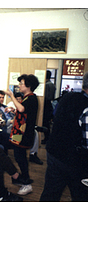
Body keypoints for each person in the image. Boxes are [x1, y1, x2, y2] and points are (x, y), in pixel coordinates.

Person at [40, 72, 88, 201]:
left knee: (50, 192)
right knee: (80, 196)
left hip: (54, 151)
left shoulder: (67, 97)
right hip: (74, 160)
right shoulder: (86, 106)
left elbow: (56, 117)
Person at [5, 74, 39, 196]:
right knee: (18, 156)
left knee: (21, 158)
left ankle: (26, 183)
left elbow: (22, 109)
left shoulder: (31, 98)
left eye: (21, 84)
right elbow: (22, 112)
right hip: (19, 132)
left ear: (28, 86)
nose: (19, 86)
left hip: (23, 134)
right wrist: (14, 110)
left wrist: (11, 96)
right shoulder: (27, 97)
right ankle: (23, 179)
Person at [42, 70, 56, 144]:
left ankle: (46, 138)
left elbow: (46, 97)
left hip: (45, 105)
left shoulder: (46, 85)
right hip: (49, 105)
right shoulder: (52, 84)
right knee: (47, 123)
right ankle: (47, 138)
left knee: (45, 123)